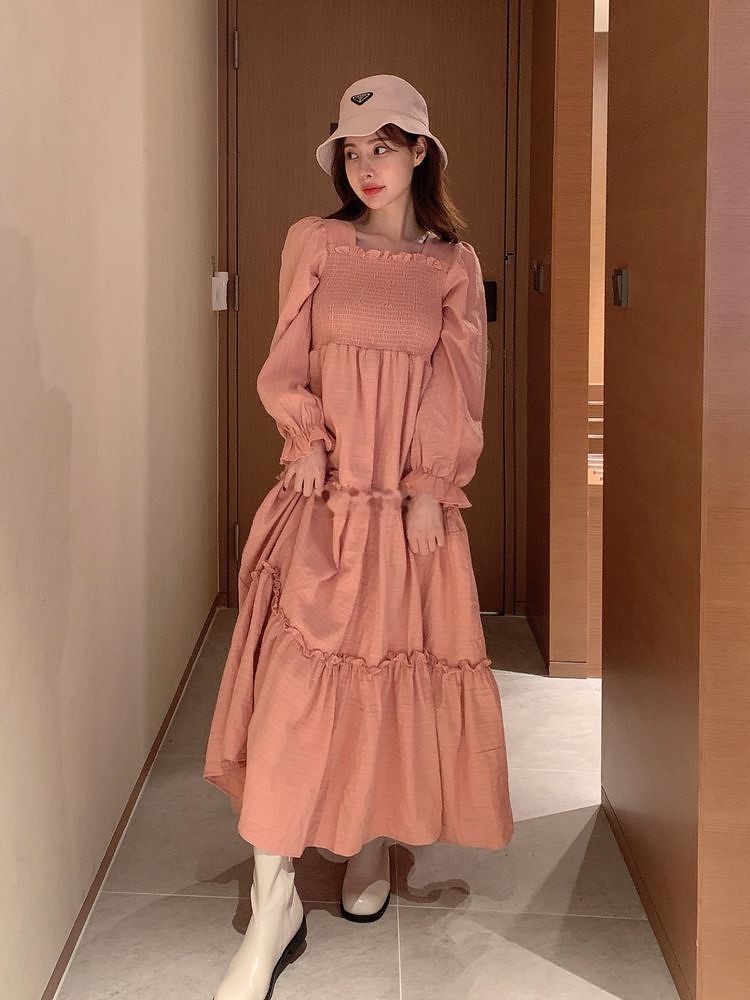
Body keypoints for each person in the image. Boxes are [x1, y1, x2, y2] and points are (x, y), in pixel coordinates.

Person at [204, 73, 514, 1000]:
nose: (366, 166)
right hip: (324, 496)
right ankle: (273, 908)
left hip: (408, 510)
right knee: (292, 694)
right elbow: (284, 361)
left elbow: (458, 387)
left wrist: (431, 486)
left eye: (384, 146)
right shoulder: (317, 241)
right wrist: (302, 437)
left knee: (390, 673)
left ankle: (374, 841)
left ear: (421, 151)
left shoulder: (452, 264)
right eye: (352, 150)